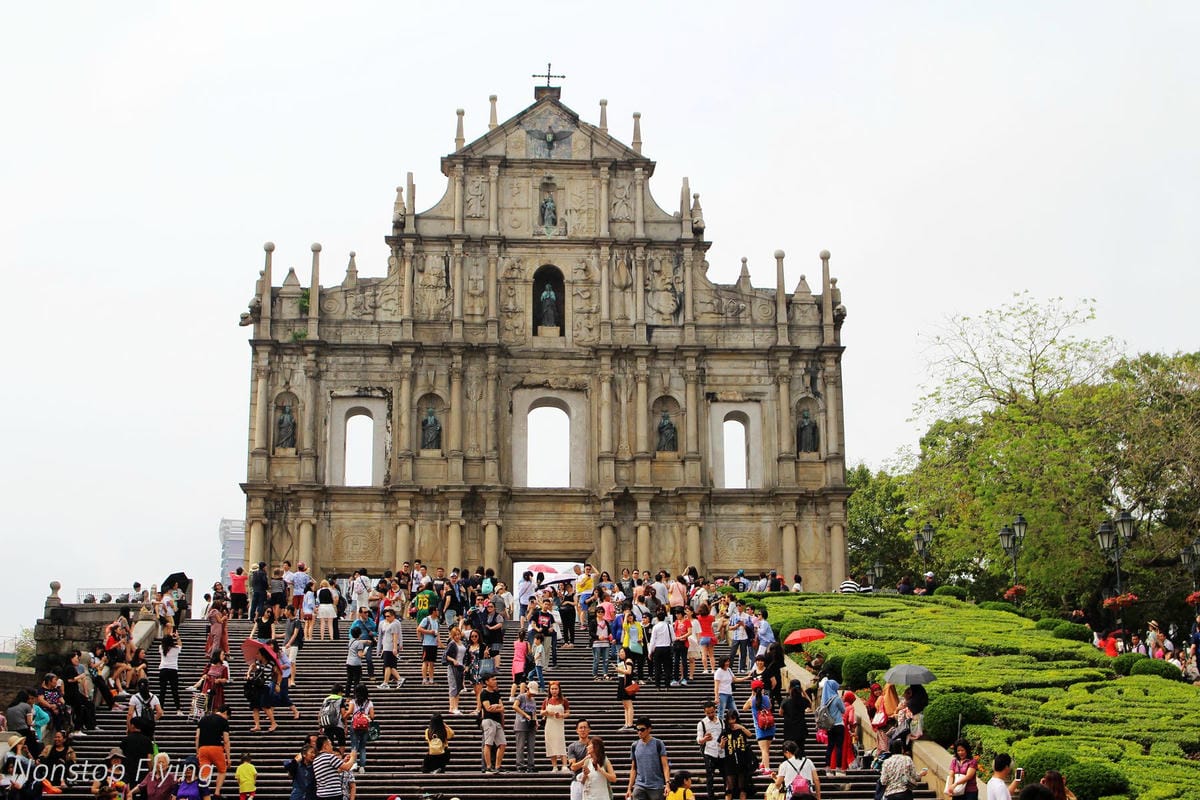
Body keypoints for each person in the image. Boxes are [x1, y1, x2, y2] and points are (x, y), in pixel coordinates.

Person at [625, 716, 669, 800]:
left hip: (656, 786)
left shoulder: (658, 744)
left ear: (649, 729)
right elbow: (633, 768)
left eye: (642, 729)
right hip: (639, 785)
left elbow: (665, 766)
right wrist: (629, 788)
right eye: (637, 730)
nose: (639, 732)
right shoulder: (634, 745)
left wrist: (667, 784)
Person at [194, 704, 231, 799]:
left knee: (204, 771)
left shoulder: (203, 719)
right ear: (225, 713)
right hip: (216, 748)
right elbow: (226, 740)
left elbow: (197, 736)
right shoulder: (223, 721)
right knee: (222, 770)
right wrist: (228, 757)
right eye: (228, 716)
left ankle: (204, 793)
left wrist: (197, 751)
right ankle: (217, 792)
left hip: (203, 749)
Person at [718, 709, 756, 800]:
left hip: (742, 760)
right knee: (729, 787)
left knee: (742, 787)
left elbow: (750, 735)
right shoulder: (725, 731)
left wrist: (741, 727)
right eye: (729, 719)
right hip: (729, 761)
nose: (731, 722)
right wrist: (722, 743)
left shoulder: (741, 728)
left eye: (733, 719)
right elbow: (721, 747)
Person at [743, 679, 776, 775]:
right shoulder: (766, 697)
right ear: (762, 689)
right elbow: (769, 707)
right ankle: (762, 763)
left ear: (752, 690)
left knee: (764, 749)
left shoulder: (751, 701)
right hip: (770, 726)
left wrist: (751, 696)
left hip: (760, 728)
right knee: (766, 748)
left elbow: (744, 708)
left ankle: (767, 768)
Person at [311, 736, 356, 800]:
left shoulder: (316, 760)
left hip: (321, 794)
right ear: (325, 746)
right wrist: (353, 757)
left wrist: (343, 761)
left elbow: (330, 771)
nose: (332, 747)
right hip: (333, 794)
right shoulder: (329, 757)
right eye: (330, 744)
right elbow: (347, 767)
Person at [818, 678, 847, 776]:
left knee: (830, 746)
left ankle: (827, 768)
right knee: (839, 747)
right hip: (838, 724)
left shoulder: (824, 699)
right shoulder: (837, 698)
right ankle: (838, 768)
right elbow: (843, 711)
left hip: (829, 726)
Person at [480, 673, 507, 773]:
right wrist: (498, 708)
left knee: (502, 743)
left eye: (495, 679)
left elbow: (503, 707)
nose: (495, 681)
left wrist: (496, 706)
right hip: (488, 720)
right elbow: (488, 709)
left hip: (497, 721)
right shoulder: (484, 693)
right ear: (487, 682)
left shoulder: (496, 693)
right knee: (488, 743)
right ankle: (488, 766)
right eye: (493, 679)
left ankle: (498, 766)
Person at [696, 701, 724, 800]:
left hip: (721, 752)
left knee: (726, 775)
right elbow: (699, 739)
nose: (711, 715)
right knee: (710, 778)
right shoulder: (702, 723)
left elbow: (724, 734)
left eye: (712, 712)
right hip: (709, 752)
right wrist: (704, 739)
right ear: (705, 712)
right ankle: (710, 797)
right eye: (708, 713)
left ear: (715, 710)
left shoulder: (721, 721)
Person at [541, 681, 570, 772]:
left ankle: (564, 765)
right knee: (551, 744)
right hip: (549, 724)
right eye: (552, 689)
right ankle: (554, 766)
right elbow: (541, 712)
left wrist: (562, 715)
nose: (554, 691)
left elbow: (568, 713)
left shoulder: (563, 700)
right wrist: (546, 712)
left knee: (561, 742)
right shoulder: (546, 700)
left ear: (559, 690)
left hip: (559, 724)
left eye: (556, 689)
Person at [511, 681, 539, 773]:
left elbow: (534, 712)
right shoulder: (521, 697)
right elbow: (515, 706)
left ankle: (531, 764)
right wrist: (525, 714)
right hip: (521, 723)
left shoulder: (533, 700)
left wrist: (536, 721)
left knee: (531, 746)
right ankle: (520, 764)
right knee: (521, 746)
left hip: (530, 724)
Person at [346, 684, 374, 773]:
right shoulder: (369, 702)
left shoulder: (353, 701)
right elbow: (372, 716)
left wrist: (344, 717)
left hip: (354, 725)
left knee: (354, 745)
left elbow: (350, 712)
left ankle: (353, 764)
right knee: (362, 747)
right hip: (365, 727)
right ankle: (362, 767)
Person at [376, 608, 405, 690]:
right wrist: (379, 647)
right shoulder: (383, 623)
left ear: (393, 616)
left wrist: (396, 647)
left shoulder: (394, 624)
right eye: (385, 616)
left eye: (388, 616)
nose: (387, 618)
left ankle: (387, 682)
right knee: (389, 666)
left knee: (388, 665)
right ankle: (397, 679)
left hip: (390, 647)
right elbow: (381, 636)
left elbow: (396, 636)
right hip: (385, 646)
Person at [780, 680, 810, 758]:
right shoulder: (803, 700)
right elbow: (809, 702)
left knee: (788, 748)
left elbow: (780, 713)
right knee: (801, 748)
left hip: (789, 729)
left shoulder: (786, 700)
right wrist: (803, 691)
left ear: (790, 688)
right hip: (801, 728)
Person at [445, 625, 468, 715]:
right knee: (453, 686)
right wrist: (453, 660)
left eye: (458, 634)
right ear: (452, 636)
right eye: (455, 635)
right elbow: (446, 655)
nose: (457, 636)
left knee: (459, 687)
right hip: (453, 667)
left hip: (460, 666)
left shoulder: (462, 643)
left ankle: (456, 707)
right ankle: (452, 707)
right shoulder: (452, 643)